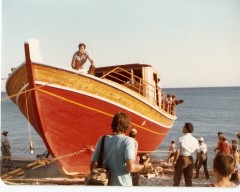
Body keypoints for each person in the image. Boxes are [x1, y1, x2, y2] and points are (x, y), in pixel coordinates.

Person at [90, 112, 152, 186]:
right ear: (127, 126)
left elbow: (92, 164)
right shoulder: (128, 141)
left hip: (104, 185)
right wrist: (144, 166)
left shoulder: (102, 139)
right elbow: (131, 168)